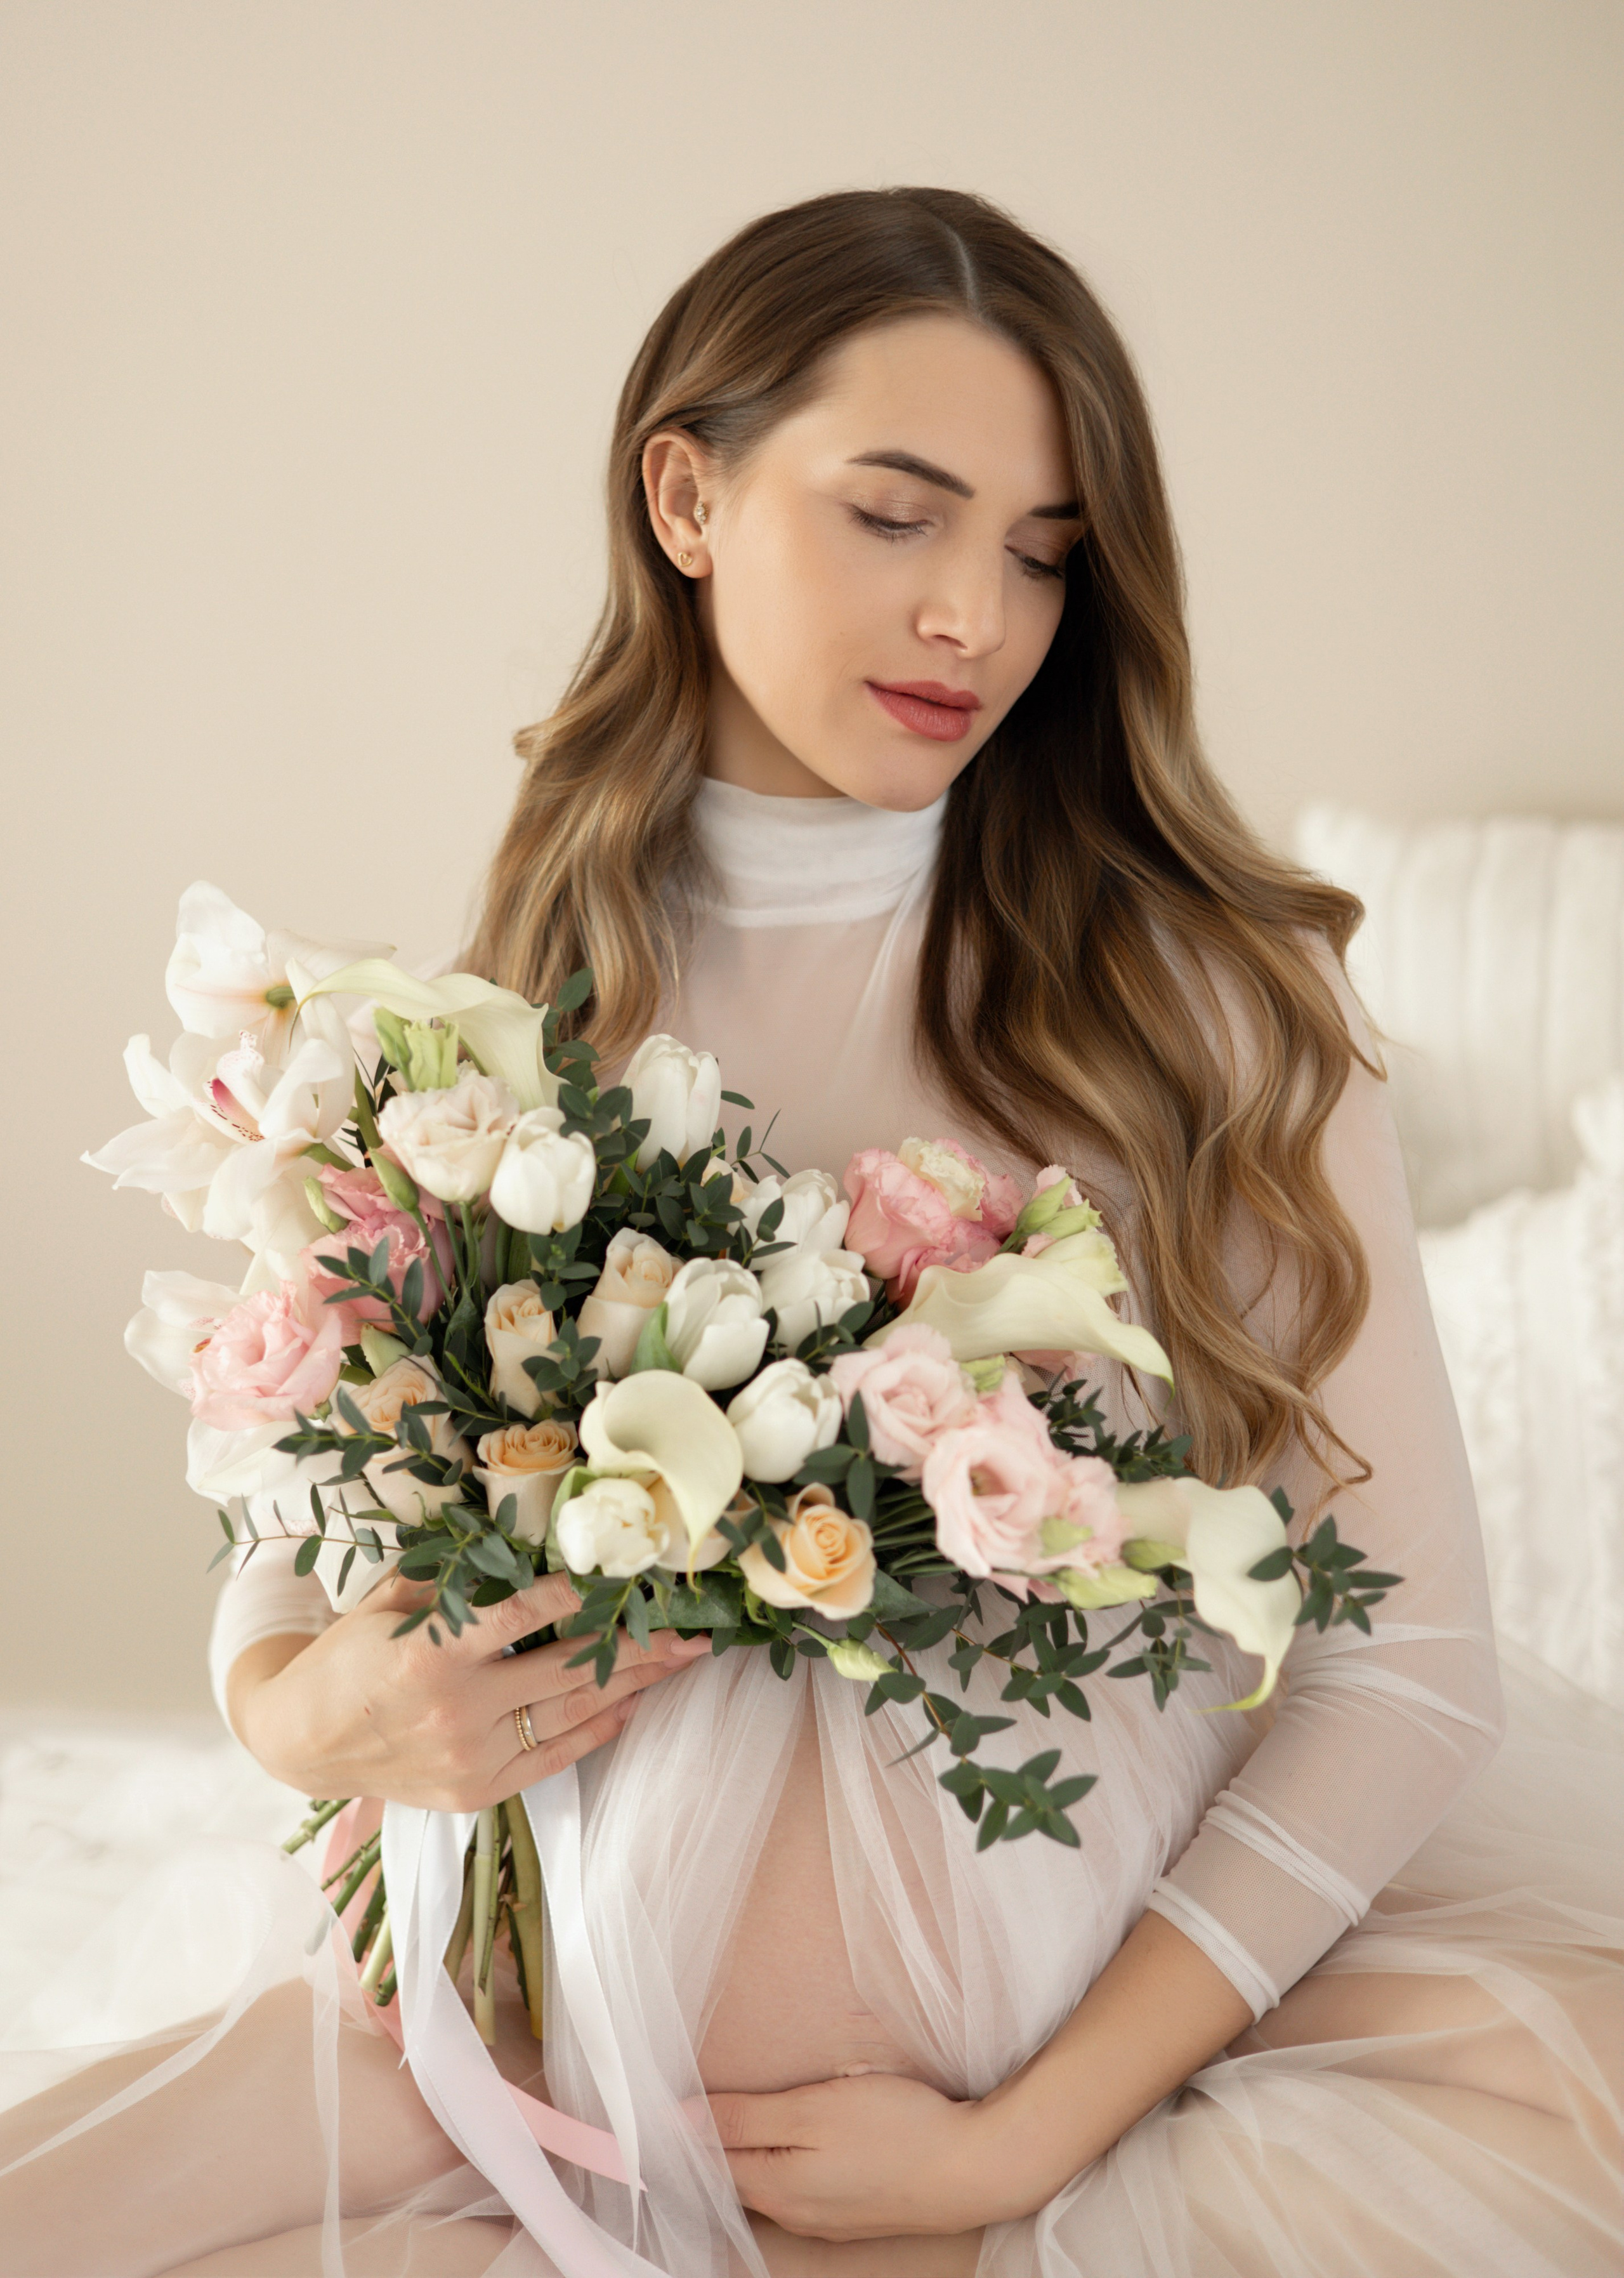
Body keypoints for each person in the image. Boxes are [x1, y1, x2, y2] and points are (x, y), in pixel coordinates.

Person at [3, 186, 1620, 2278]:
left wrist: (1013, 2150)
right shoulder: (534, 985)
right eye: (896, 515)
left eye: (1044, 555)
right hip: (505, 2044)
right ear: (685, 494)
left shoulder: (1202, 1011)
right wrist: (295, 1715)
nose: (979, 615)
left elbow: (1408, 1670)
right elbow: (322, 1477)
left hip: (1014, 2103)